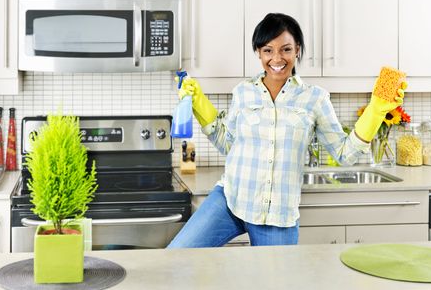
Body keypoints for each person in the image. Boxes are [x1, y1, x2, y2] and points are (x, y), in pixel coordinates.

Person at [167, 13, 406, 248]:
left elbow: (346, 153)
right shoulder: (243, 92)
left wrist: (375, 111)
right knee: (177, 257)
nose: (276, 58)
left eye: (286, 49)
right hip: (230, 200)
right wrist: (199, 102)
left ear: (298, 50)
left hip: (277, 217)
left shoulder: (315, 99)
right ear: (259, 53)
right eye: (268, 50)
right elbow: (228, 144)